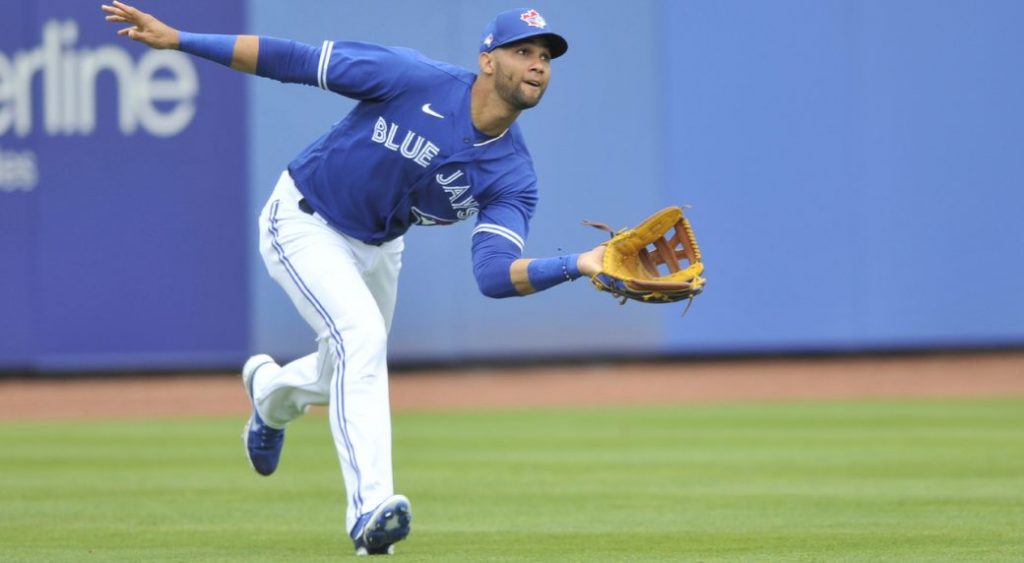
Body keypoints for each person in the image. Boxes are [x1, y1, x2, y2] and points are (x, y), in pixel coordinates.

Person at [102, 1, 605, 556]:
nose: (537, 64)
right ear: (488, 61)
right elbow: (293, 60)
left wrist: (578, 264)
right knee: (361, 341)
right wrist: (181, 39)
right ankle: (369, 513)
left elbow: (491, 274)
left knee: (340, 367)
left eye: (545, 57)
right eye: (523, 51)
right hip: (303, 218)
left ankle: (269, 394)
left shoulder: (513, 175)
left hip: (380, 247)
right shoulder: (412, 77)